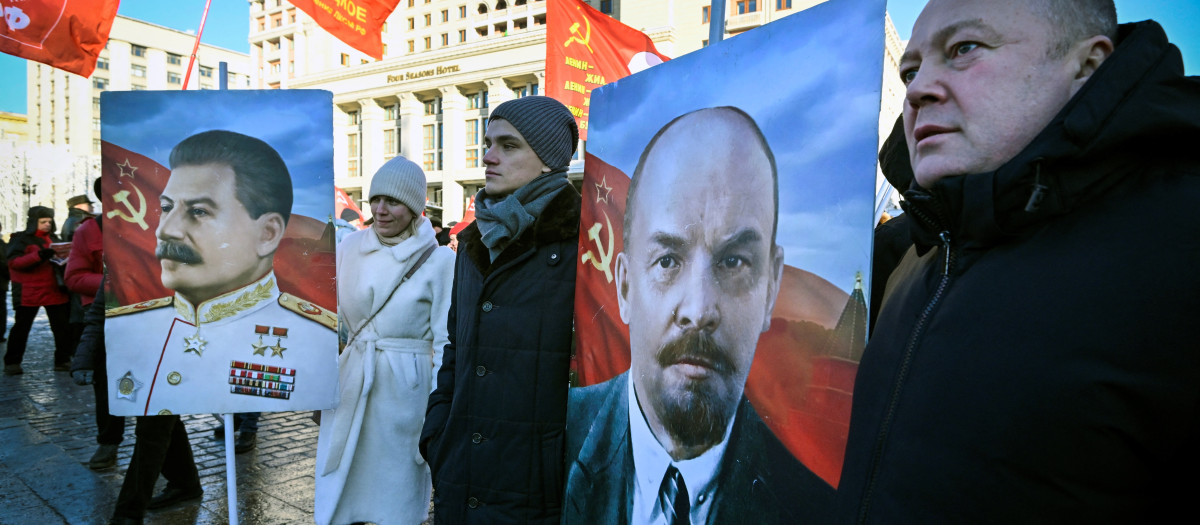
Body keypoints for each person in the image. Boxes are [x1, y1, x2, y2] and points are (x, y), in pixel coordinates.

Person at [835, 0, 1200, 522]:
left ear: (1087, 67)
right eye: (910, 70)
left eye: (964, 49)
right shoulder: (912, 255)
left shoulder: (1181, 251)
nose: (916, 90)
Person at [562, 107, 833, 524]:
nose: (699, 310)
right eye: (667, 260)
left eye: (734, 262)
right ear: (625, 286)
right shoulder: (556, 438)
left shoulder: (813, 504)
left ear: (771, 288)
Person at [420, 95, 581, 524]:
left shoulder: (582, 245)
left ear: (548, 160)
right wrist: (439, 431)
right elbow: (457, 344)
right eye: (489, 142)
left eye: (508, 146)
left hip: (536, 487)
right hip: (462, 473)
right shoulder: (473, 242)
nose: (488, 156)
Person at [105, 129, 337, 417]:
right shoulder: (126, 325)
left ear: (268, 233)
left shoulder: (314, 336)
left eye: (199, 211)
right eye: (166, 208)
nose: (165, 230)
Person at [314, 155, 455, 525]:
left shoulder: (439, 261)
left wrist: (437, 405)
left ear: (413, 207)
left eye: (392, 201)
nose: (380, 209)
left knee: (395, 486)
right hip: (352, 377)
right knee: (344, 484)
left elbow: (445, 340)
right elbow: (327, 318)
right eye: (375, 199)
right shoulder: (348, 248)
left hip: (405, 388)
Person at [67, 178, 125, 470]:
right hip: (102, 319)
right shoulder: (88, 230)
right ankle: (108, 442)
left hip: (147, 317)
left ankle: (166, 454)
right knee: (105, 386)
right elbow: (74, 277)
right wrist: (112, 284)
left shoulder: (149, 226)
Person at [4, 206, 72, 374]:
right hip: (29, 292)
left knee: (62, 328)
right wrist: (40, 255)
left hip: (54, 290)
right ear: (34, 222)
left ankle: (62, 360)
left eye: (49, 221)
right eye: (43, 222)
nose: (47, 224)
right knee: (21, 328)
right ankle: (12, 363)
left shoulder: (54, 238)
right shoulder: (21, 240)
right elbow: (14, 263)